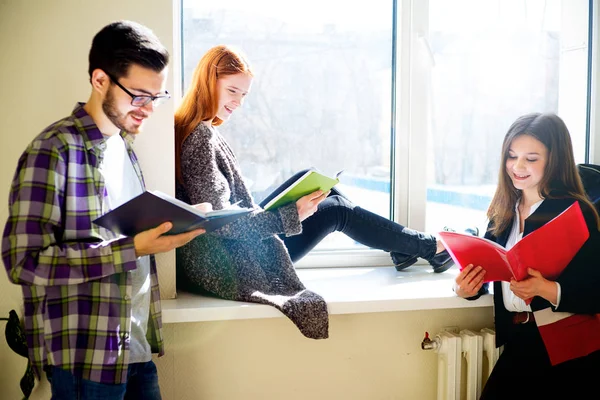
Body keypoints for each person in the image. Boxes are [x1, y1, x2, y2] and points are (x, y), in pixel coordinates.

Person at [173, 44, 460, 339]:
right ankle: (429, 248)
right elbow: (223, 224)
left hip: (225, 255)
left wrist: (288, 212)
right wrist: (290, 215)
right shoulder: (201, 137)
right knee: (336, 209)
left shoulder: (191, 127)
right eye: (232, 91)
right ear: (209, 81)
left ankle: (405, 249)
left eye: (244, 95)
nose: (238, 102)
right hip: (231, 264)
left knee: (312, 183)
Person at [2, 21, 205, 399]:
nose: (148, 109)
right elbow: (23, 262)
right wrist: (134, 249)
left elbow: (120, 234)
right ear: (100, 80)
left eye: (156, 98)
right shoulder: (53, 150)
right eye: (139, 95)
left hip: (135, 346)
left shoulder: (123, 146)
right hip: (86, 358)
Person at [453, 113, 600, 399]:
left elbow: (595, 290)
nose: (517, 166)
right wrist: (464, 288)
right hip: (521, 339)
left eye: (531, 159)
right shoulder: (503, 209)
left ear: (554, 161)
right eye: (512, 156)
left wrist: (545, 289)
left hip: (568, 347)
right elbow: (487, 270)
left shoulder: (575, 212)